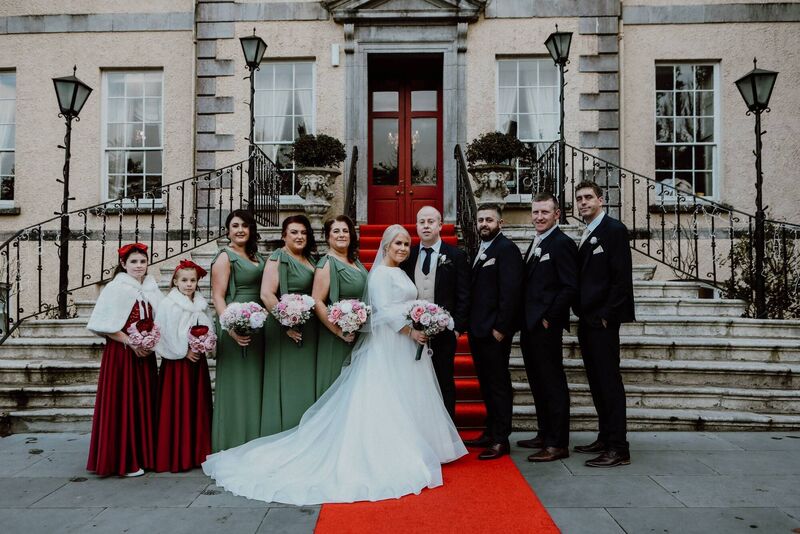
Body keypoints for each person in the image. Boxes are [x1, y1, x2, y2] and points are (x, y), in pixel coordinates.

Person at [202, 225, 467, 505]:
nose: (402, 248)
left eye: (405, 244)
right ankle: (392, 450)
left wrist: (423, 317)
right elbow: (383, 311)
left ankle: (421, 444)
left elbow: (404, 305)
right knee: (388, 397)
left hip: (405, 345)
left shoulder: (400, 271)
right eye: (397, 243)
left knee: (408, 394)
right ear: (385, 246)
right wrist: (410, 330)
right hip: (392, 343)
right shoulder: (377, 274)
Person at [86, 242, 163, 477]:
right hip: (122, 355)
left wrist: (150, 343)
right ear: (123, 265)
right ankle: (123, 459)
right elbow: (104, 325)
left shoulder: (150, 289)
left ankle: (144, 454)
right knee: (124, 403)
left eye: (142, 261)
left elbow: (161, 319)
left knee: (143, 402)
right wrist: (132, 342)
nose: (139, 266)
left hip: (144, 356)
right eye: (133, 262)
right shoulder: (116, 288)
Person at [573, 181, 635, 468]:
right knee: (596, 382)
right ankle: (605, 436)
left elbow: (621, 278)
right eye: (579, 199)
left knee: (609, 382)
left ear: (601, 200)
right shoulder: (587, 232)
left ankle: (618, 447)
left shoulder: (614, 230)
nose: (583, 202)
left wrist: (607, 315)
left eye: (588, 198)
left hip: (603, 321)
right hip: (587, 319)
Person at [516, 193, 578, 462]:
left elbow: (569, 286)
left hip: (546, 326)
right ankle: (544, 433)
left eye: (544, 212)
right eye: (536, 212)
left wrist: (550, 317)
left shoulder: (562, 243)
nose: (539, 217)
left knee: (552, 383)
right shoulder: (538, 241)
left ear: (557, 215)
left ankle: (557, 443)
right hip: (530, 326)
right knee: (538, 381)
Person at [463, 204, 524, 460]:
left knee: (498, 385)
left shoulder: (506, 249)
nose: (484, 224)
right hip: (479, 331)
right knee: (487, 384)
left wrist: (502, 328)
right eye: (480, 220)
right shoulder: (481, 249)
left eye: (489, 220)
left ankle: (501, 439)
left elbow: (511, 292)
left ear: (501, 223)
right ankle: (490, 431)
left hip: (494, 332)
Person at [401, 206, 470, 420]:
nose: (426, 226)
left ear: (440, 225)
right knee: (415, 382)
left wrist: (457, 327)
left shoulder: (456, 255)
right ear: (416, 225)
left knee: (444, 380)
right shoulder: (407, 255)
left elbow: (464, 294)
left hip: (444, 332)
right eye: (422, 222)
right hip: (413, 332)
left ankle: (448, 430)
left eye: (431, 221)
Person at [210, 210, 266, 451]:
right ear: (227, 230)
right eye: (235, 226)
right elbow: (218, 297)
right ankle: (233, 441)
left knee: (256, 383)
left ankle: (255, 438)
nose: (240, 230)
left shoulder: (256, 255)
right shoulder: (225, 257)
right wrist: (230, 328)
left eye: (245, 225)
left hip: (258, 324)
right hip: (236, 324)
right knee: (238, 385)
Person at [260, 214, 319, 435]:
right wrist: (287, 324)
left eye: (303, 232)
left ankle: (307, 433)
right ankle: (287, 431)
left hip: (310, 328)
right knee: (291, 383)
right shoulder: (278, 258)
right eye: (294, 232)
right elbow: (266, 294)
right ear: (284, 236)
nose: (299, 236)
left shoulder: (311, 259)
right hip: (288, 330)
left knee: (306, 383)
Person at [154, 259, 214, 472]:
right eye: (184, 280)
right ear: (175, 282)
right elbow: (165, 332)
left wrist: (204, 343)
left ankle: (198, 450)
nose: (189, 284)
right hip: (178, 363)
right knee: (179, 405)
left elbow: (207, 325)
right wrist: (183, 350)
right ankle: (178, 453)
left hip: (197, 361)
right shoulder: (169, 304)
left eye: (192, 280)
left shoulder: (200, 303)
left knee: (197, 403)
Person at [312, 215, 368, 397]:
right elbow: (318, 301)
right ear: (328, 237)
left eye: (345, 230)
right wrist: (338, 331)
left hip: (357, 333)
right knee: (336, 386)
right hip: (337, 336)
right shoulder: (327, 264)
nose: (341, 234)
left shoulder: (354, 261)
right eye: (336, 231)